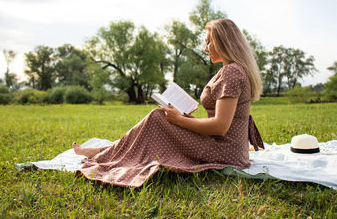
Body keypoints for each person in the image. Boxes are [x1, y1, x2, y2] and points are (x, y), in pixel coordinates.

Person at [73, 18, 264, 187]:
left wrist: (180, 120)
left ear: (224, 42)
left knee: (157, 118)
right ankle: (105, 151)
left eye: (208, 42)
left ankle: (103, 153)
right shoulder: (230, 70)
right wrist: (183, 118)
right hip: (225, 147)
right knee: (159, 121)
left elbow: (220, 127)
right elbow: (220, 122)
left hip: (225, 152)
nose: (205, 49)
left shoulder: (232, 72)